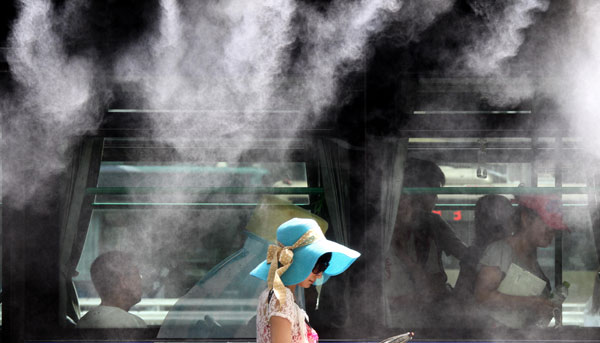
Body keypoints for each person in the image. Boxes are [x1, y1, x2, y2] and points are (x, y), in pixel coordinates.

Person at [384, 158, 467, 328]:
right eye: (433, 193)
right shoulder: (380, 235)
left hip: (424, 321)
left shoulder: (431, 229)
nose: (435, 199)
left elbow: (465, 255)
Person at [250, 218, 360, 343]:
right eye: (318, 267)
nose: (319, 275)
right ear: (300, 262)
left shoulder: (275, 295)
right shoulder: (281, 297)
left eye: (323, 267)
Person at [474, 195, 568, 328]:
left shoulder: (532, 258)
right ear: (526, 219)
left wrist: (545, 308)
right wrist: (533, 302)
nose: (552, 231)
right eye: (548, 224)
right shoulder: (500, 251)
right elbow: (483, 296)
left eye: (555, 227)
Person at [77, 251, 146, 328]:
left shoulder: (84, 322)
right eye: (137, 274)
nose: (141, 279)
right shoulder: (133, 324)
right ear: (124, 282)